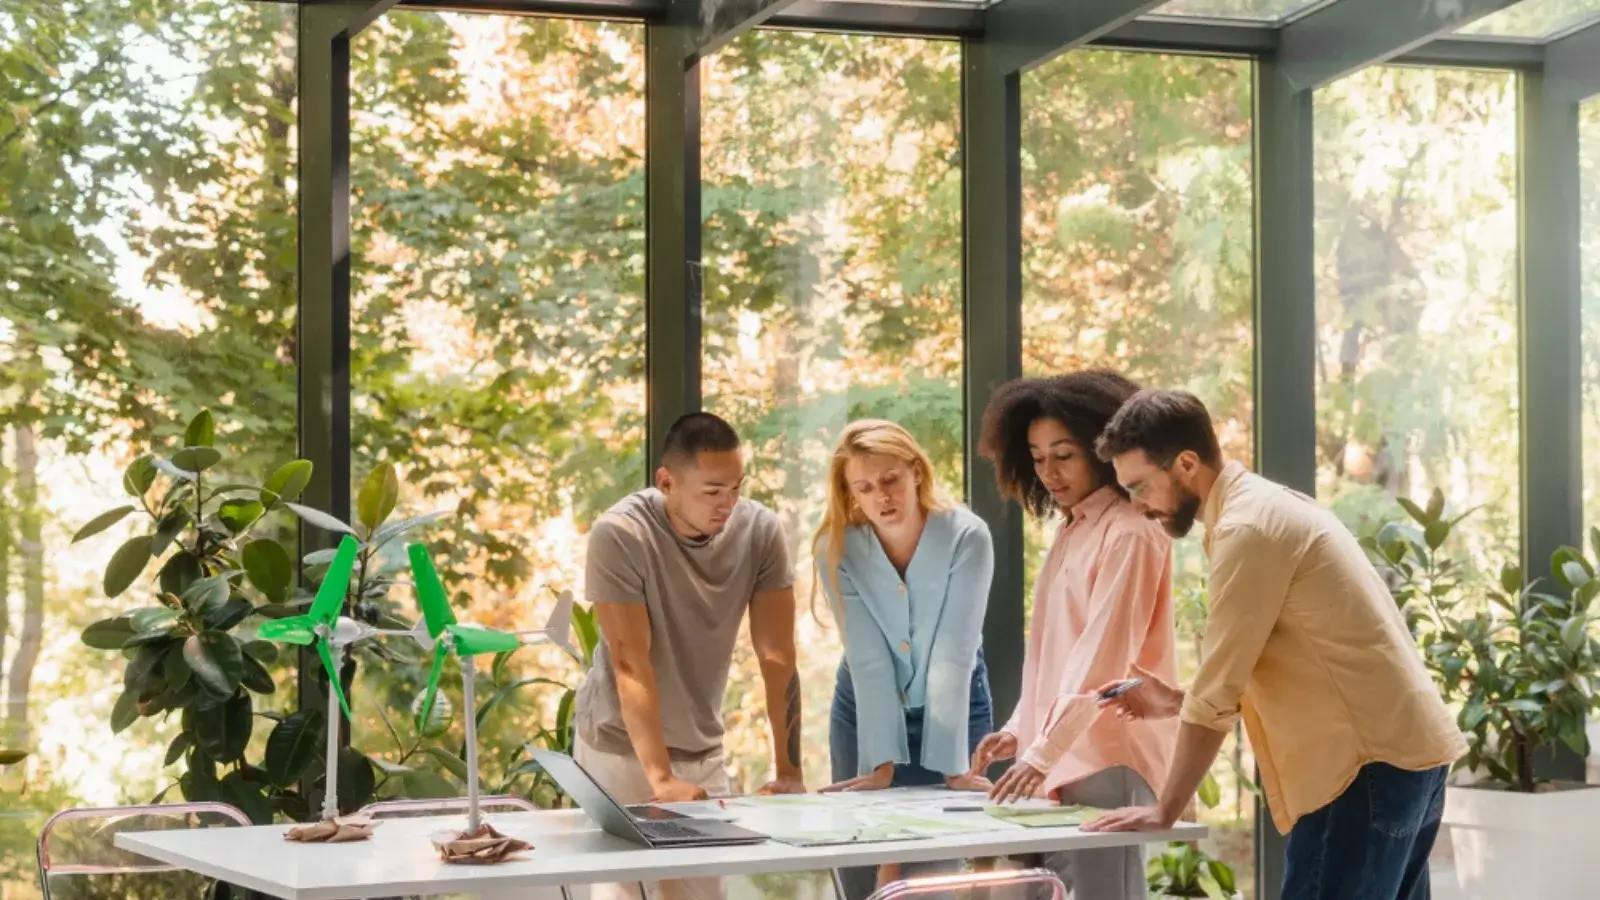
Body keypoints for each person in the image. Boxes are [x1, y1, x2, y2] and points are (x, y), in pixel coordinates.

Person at [1083, 388, 1466, 900]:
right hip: (1405, 758)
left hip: (1364, 770)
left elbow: (1218, 694)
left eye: (1140, 486)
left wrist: (1164, 809)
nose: (1138, 504)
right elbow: (1301, 659)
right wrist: (1175, 700)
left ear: (1187, 464)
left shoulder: (1249, 529)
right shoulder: (1266, 508)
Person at [966, 370, 1180, 900]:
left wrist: (1041, 750)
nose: (1050, 472)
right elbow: (1051, 655)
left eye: (1064, 454)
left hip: (1106, 756)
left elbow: (1103, 660)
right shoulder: (1073, 528)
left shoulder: (1131, 530)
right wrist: (1021, 729)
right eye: (1038, 458)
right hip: (1051, 754)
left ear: (1100, 448)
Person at [575, 412, 806, 900]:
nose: (728, 505)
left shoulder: (761, 531)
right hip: (620, 750)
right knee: (625, 893)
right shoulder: (620, 534)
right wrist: (660, 778)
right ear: (667, 482)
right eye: (712, 491)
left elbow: (777, 655)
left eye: (736, 488)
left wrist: (788, 769)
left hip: (702, 749)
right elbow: (628, 662)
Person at [813, 420, 994, 899]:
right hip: (864, 707)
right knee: (862, 862)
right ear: (851, 493)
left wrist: (953, 767)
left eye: (890, 480)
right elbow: (868, 661)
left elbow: (953, 655)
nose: (881, 498)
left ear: (916, 472)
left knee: (929, 872)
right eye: (865, 487)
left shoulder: (967, 536)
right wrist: (881, 764)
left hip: (954, 700)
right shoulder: (836, 549)